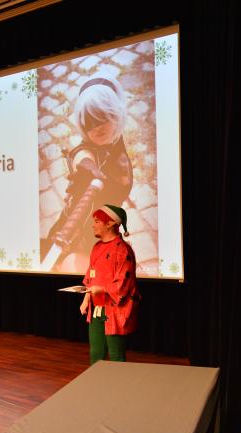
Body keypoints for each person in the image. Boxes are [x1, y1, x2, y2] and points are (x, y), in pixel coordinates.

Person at [43, 72, 134, 272]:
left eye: (102, 117)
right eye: (89, 122)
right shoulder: (88, 150)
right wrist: (88, 166)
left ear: (115, 113)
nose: (97, 128)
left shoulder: (115, 143)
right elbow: (80, 154)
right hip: (74, 237)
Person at [79, 205, 140, 364]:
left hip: (115, 311)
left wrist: (101, 289)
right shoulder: (96, 248)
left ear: (110, 223)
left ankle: (118, 381)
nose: (93, 225)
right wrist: (86, 299)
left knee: (116, 356)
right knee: (96, 354)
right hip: (96, 309)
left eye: (97, 221)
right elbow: (91, 275)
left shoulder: (123, 250)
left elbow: (124, 283)